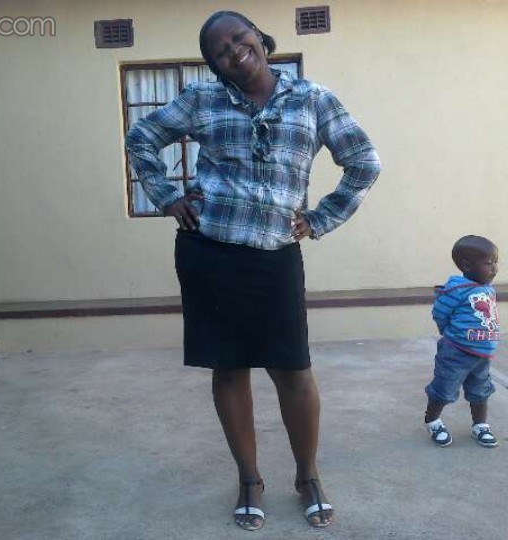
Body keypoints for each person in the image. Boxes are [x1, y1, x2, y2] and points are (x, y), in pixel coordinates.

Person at [126, 10, 381, 530]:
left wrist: (321, 218)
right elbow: (142, 137)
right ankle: (249, 479)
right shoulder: (201, 99)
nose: (234, 52)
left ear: (260, 39)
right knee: (229, 368)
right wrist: (168, 197)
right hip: (209, 252)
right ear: (214, 66)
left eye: (239, 39)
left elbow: (363, 162)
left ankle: (307, 476)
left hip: (274, 255)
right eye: (219, 52)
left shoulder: (313, 99)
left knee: (293, 370)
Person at [424, 235, 500, 448]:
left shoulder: (487, 288)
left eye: (496, 263)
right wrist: (448, 333)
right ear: (467, 265)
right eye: (489, 263)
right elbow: (440, 313)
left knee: (481, 390)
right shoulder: (455, 289)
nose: (494, 269)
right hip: (456, 352)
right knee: (444, 388)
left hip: (482, 354)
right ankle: (432, 421)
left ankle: (480, 425)